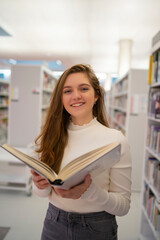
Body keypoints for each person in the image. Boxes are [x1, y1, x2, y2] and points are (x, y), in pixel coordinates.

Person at [31, 64, 132, 240]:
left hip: (97, 227)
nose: (76, 96)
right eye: (67, 91)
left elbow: (123, 207)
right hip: (54, 222)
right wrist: (39, 185)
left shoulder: (115, 140)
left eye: (84, 89)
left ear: (96, 96)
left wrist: (90, 191)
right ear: (61, 98)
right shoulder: (50, 136)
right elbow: (42, 194)